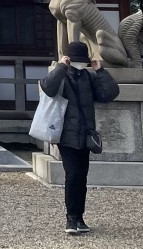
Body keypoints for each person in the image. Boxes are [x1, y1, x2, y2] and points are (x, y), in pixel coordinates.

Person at [41, 40, 120, 236]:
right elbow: (47, 87)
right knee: (73, 175)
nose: (79, 64)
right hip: (66, 135)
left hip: (85, 135)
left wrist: (100, 71)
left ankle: (80, 217)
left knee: (81, 177)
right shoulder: (61, 77)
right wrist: (61, 67)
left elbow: (109, 93)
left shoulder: (88, 77)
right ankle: (71, 217)